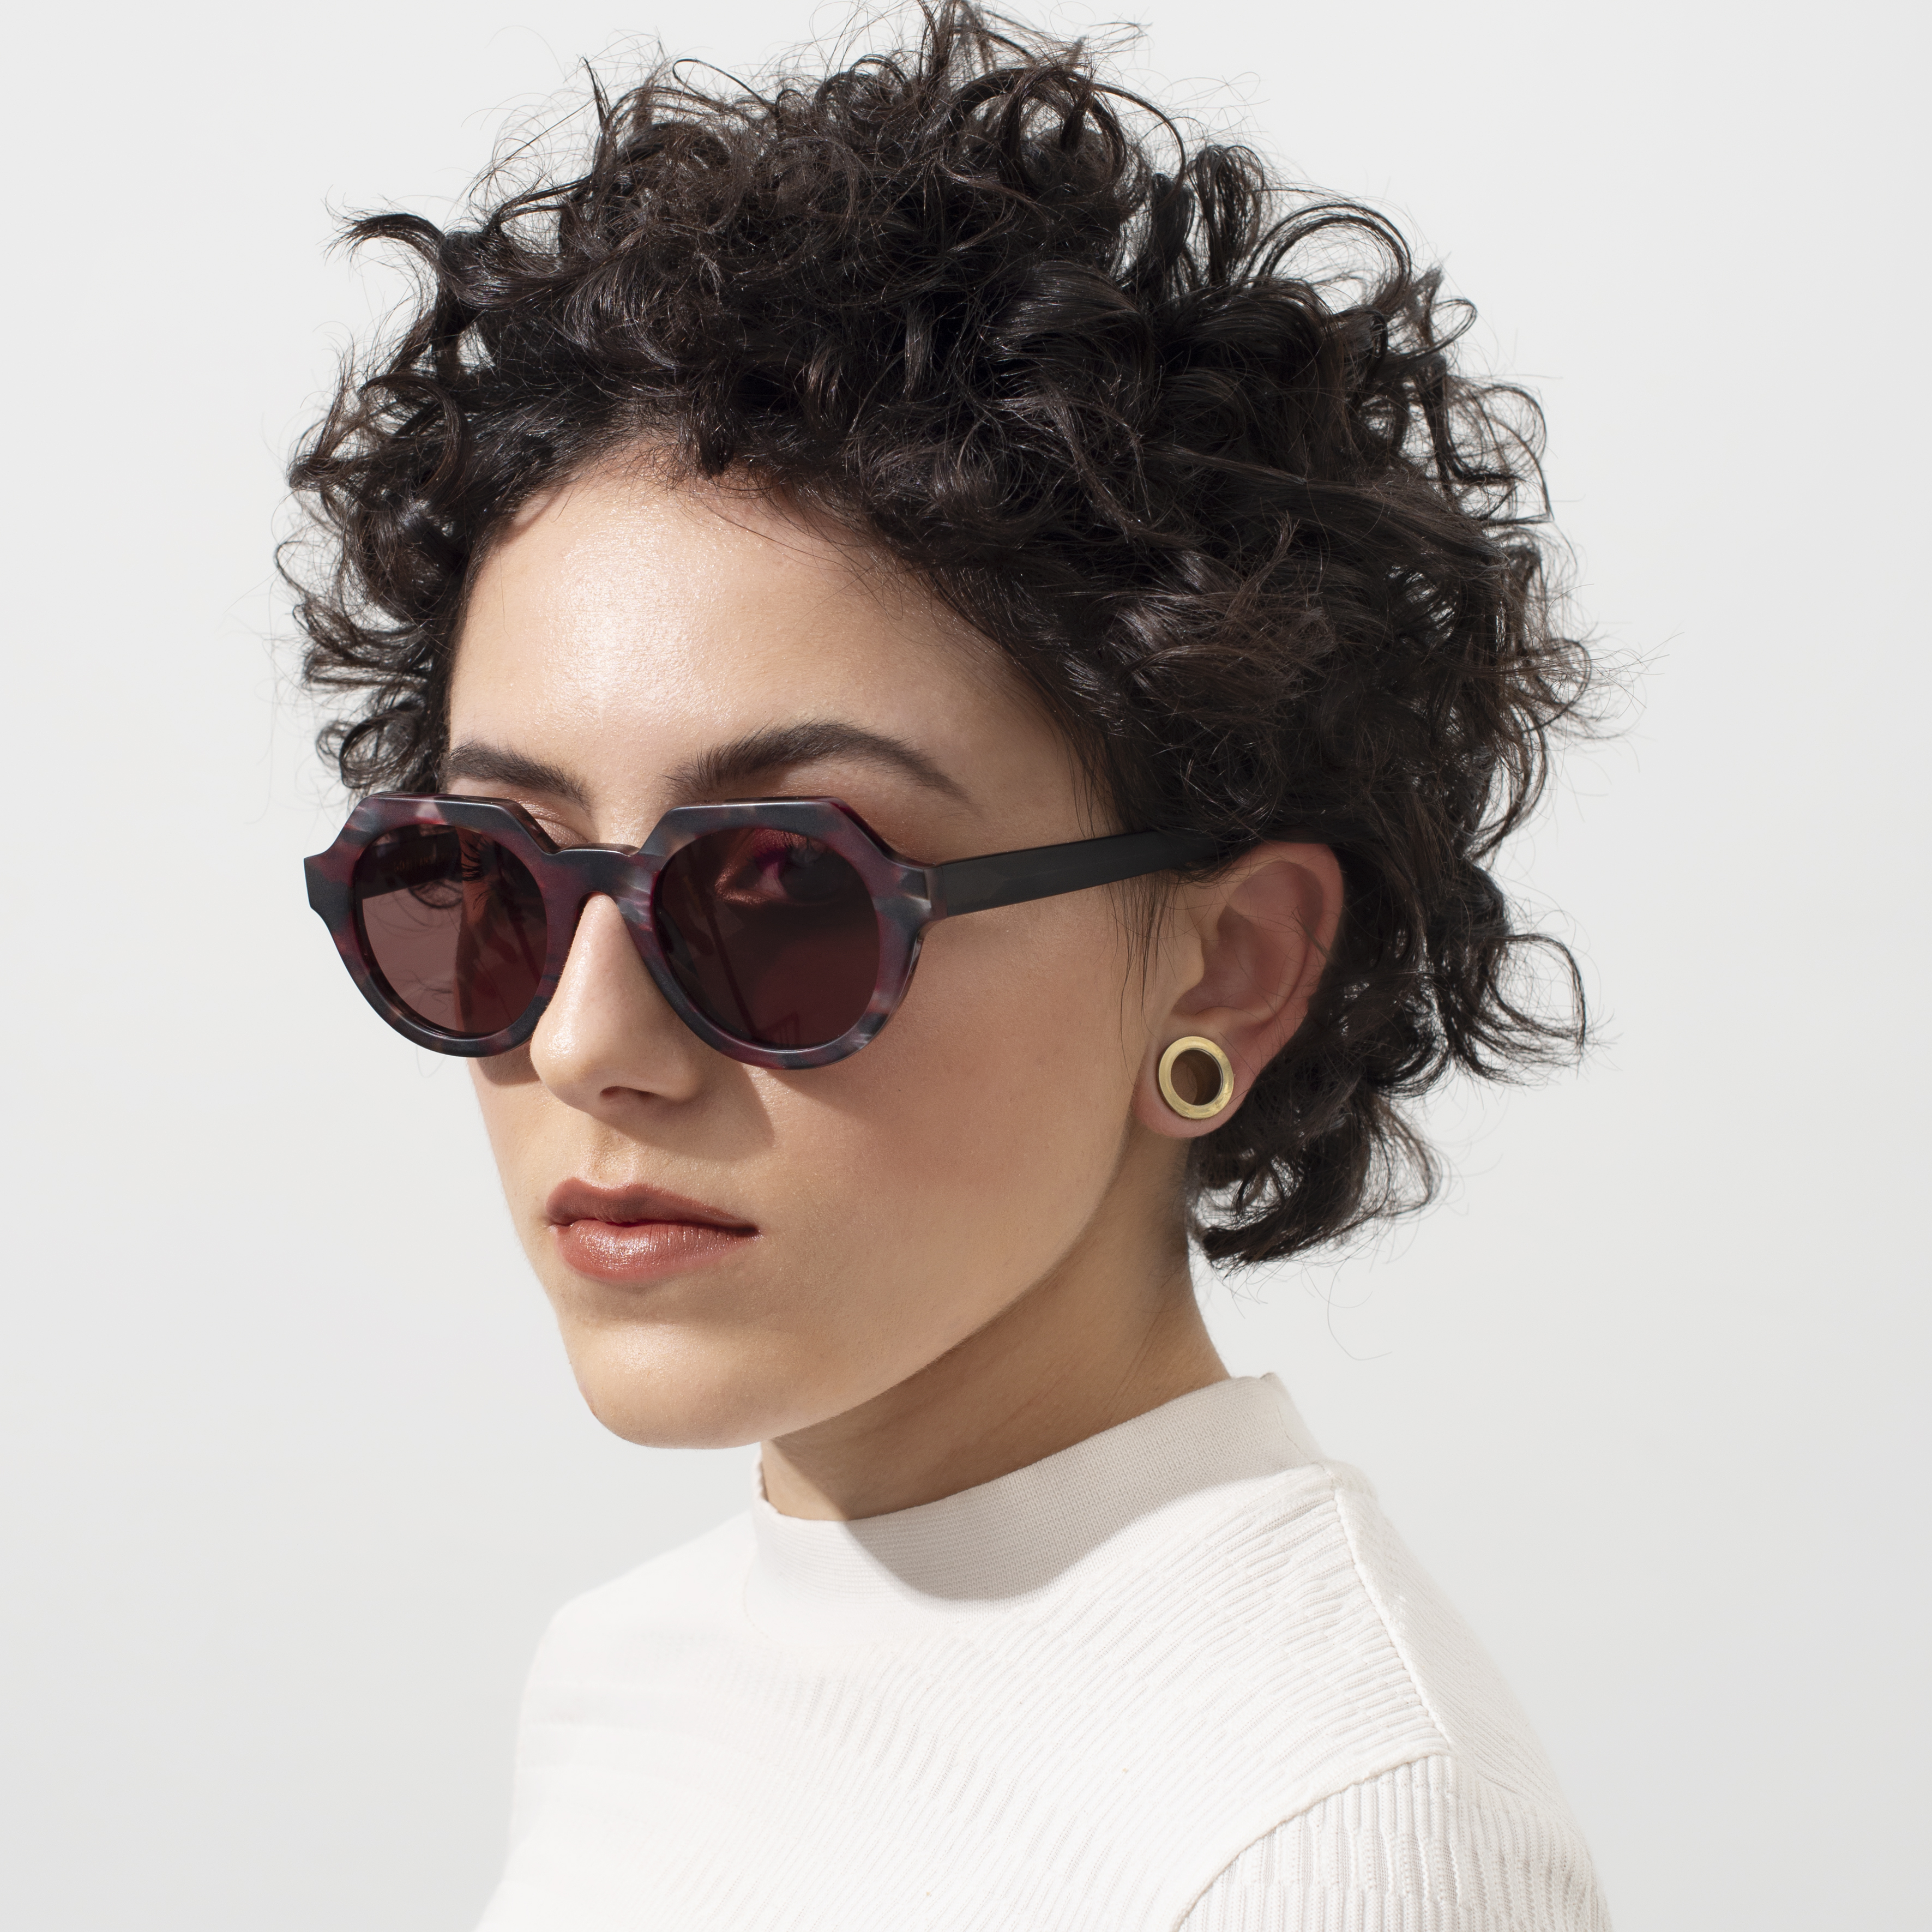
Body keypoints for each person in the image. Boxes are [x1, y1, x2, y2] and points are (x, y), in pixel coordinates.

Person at [290, 5, 1609, 1925]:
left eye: (780, 892)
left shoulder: (1329, 1837)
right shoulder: (626, 1678)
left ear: (1230, 970)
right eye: (482, 878)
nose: (585, 1043)